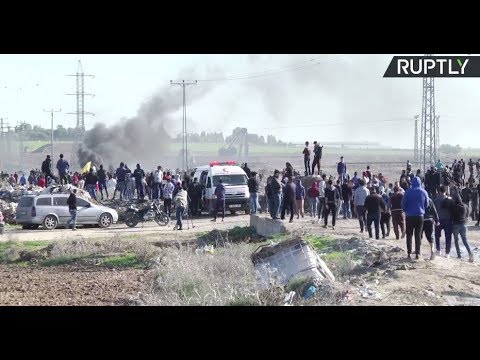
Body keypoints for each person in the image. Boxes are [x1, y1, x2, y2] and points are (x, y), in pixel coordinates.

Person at [401, 176, 429, 260]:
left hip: (409, 216)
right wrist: (422, 209)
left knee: (409, 234)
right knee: (418, 235)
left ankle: (409, 253)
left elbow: (403, 204)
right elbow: (427, 204)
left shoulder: (408, 192)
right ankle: (418, 253)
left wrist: (406, 210)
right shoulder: (424, 192)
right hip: (420, 215)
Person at [444, 191, 474, 262]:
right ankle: (470, 253)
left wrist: (447, 198)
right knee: (465, 240)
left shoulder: (453, 206)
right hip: (463, 224)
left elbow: (446, 206)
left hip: (455, 225)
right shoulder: (465, 206)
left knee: (456, 241)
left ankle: (459, 255)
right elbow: (467, 215)